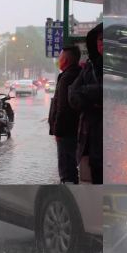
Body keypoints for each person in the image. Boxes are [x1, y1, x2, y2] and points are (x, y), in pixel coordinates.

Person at [68, 23, 103, 184]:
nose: (102, 44)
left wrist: (87, 91)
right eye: (100, 40)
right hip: (92, 139)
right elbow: (73, 94)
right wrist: (92, 100)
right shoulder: (89, 67)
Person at [51, 46, 82, 184]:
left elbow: (62, 107)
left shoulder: (67, 77)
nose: (58, 60)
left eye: (60, 57)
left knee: (66, 169)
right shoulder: (78, 73)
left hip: (66, 131)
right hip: (75, 129)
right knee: (71, 167)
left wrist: (58, 131)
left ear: (66, 60)